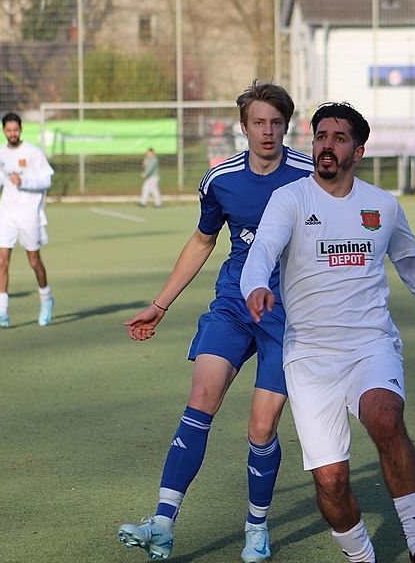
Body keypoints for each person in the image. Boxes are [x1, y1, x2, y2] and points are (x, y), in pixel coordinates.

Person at [241, 102, 415, 563]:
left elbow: (414, 267)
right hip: (309, 356)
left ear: (358, 151)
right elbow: (263, 249)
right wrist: (256, 286)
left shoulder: (382, 205)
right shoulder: (290, 199)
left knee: (385, 416)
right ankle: (362, 557)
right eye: (320, 136)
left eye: (339, 138)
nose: (326, 145)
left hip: (370, 344)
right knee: (331, 479)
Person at [117, 81, 313, 563]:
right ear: (243, 127)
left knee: (261, 429)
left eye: (276, 123)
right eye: (258, 122)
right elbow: (203, 241)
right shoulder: (220, 180)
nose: (267, 131)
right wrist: (160, 304)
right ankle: (162, 524)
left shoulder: (309, 177)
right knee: (201, 398)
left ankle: (256, 529)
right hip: (233, 305)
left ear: (287, 126)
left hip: (288, 315)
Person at [0, 112, 55, 328]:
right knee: (1, 260)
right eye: (9, 130)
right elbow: (1, 176)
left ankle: (46, 298)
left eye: (15, 130)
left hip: (29, 214)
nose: (12, 134)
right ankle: (2, 311)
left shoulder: (33, 152)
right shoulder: (0, 152)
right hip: (6, 213)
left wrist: (24, 181)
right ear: (4, 131)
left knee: (34, 261)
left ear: (21, 130)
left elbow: (46, 181)